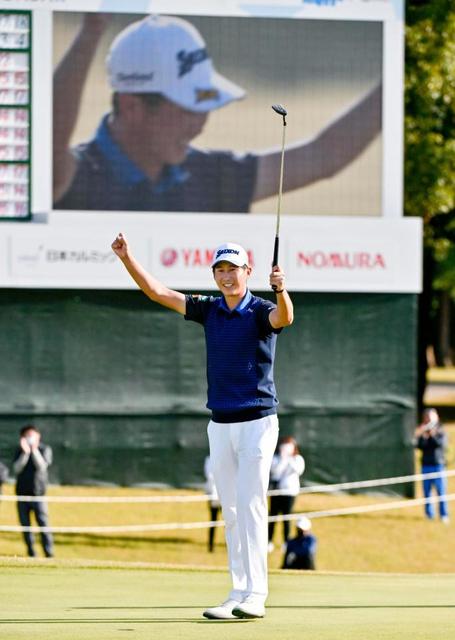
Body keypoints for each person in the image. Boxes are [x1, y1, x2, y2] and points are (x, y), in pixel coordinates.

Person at [111, 233, 293, 619]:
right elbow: (158, 292)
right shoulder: (208, 309)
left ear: (248, 271)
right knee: (229, 509)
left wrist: (282, 290)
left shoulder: (261, 309)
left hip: (258, 422)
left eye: (234, 270)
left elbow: (284, 318)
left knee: (251, 506)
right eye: (220, 270)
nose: (227, 277)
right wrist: (127, 258)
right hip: (220, 423)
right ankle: (238, 590)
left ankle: (257, 594)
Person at [53, 13, 381, 212]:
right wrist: (90, 33)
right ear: (131, 105)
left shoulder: (210, 175)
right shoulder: (73, 175)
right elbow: (45, 145)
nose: (199, 126)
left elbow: (324, 156)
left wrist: (401, 72)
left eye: (204, 108)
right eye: (187, 110)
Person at [13, 425, 54, 557]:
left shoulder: (44, 449)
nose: (30, 438)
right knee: (26, 527)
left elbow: (42, 466)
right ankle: (31, 553)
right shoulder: (19, 450)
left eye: (32, 435)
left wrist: (34, 450)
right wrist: (25, 453)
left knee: (44, 525)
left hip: (39, 495)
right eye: (27, 435)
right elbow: (17, 469)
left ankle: (49, 554)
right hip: (22, 495)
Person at [268, 435, 305, 552]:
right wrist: (283, 459)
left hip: (289, 492)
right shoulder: (276, 458)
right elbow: (275, 472)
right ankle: (269, 541)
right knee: (273, 517)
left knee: (286, 517)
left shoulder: (298, 459)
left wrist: (289, 459)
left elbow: (298, 470)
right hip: (276, 492)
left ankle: (286, 542)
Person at [414, 408, 449, 523]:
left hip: (438, 465)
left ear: (436, 417)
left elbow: (440, 444)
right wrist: (423, 436)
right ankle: (429, 515)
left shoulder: (440, 430)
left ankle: (444, 515)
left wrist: (432, 435)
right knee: (427, 492)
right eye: (427, 417)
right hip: (426, 465)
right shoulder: (424, 431)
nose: (428, 419)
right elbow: (419, 446)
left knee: (441, 492)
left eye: (431, 417)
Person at [204, 455, 221, 552]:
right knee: (213, 520)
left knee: (229, 521)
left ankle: (230, 546)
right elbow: (209, 476)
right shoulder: (208, 460)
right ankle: (210, 545)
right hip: (213, 494)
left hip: (224, 494)